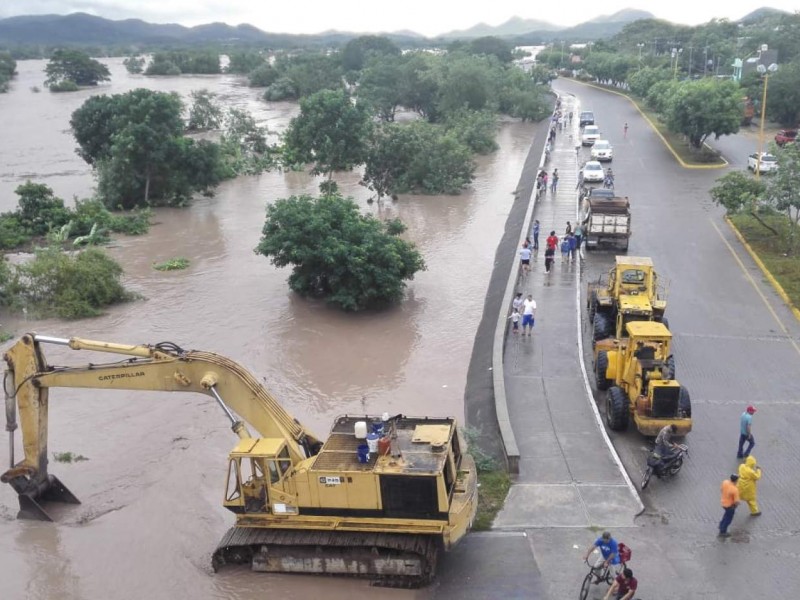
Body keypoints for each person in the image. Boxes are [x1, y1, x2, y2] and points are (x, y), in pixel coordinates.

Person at [719, 474, 740, 538]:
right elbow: (736, 501)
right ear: (736, 480)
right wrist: (736, 506)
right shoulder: (734, 489)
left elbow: (721, 489)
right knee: (728, 519)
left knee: (726, 515)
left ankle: (721, 526)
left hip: (723, 503)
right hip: (730, 506)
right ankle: (723, 531)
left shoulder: (725, 482)